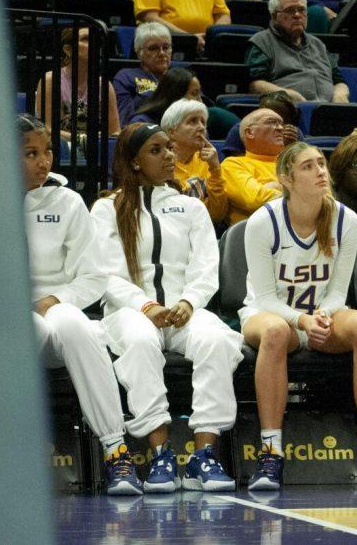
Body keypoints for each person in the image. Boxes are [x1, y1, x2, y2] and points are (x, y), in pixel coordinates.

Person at [92, 123, 243, 493]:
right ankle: (161, 453)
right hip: (129, 311)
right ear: (135, 162)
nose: (170, 157)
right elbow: (102, 274)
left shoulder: (191, 206)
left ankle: (203, 456)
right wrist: (145, 305)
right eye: (156, 150)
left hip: (183, 309)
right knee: (141, 342)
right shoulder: (106, 208)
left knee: (218, 342)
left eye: (169, 149)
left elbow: (207, 266)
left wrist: (189, 302)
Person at [239, 141, 357, 490]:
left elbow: (339, 292)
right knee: (276, 334)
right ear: (287, 178)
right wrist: (303, 321)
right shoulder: (262, 222)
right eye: (309, 167)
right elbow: (265, 298)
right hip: (269, 314)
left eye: (322, 165)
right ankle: (270, 453)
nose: (321, 171)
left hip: (321, 314)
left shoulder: (347, 219)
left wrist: (322, 316)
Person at [20, 115, 142, 496]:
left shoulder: (68, 201)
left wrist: (53, 300)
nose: (44, 161)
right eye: (30, 153)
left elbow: (93, 278)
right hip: (3, 319)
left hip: (56, 308)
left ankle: (116, 452)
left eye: (48, 151)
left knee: (78, 325)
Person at [247, 0, 349, 103]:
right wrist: (286, 94)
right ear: (274, 16)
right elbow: (255, 84)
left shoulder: (318, 44)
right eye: (289, 10)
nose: (297, 15)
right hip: (289, 109)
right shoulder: (262, 41)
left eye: (301, 10)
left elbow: (338, 80)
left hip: (329, 108)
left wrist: (340, 93)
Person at [35, 26, 121, 143]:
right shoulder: (51, 80)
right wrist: (82, 140)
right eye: (85, 39)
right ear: (68, 49)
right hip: (62, 149)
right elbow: (46, 129)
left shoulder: (104, 85)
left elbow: (115, 131)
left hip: (96, 150)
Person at [163, 98, 229, 226]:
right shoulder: (161, 162)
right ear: (172, 132)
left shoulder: (207, 162)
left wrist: (215, 169)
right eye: (192, 121)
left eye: (203, 122)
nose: (201, 127)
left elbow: (217, 215)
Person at [221, 108, 288, 224]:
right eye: (271, 122)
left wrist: (273, 187)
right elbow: (254, 200)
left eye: (281, 123)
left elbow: (324, 197)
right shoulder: (232, 164)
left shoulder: (293, 163)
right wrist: (296, 193)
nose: (280, 128)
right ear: (250, 132)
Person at [113, 22, 171, 123]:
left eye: (166, 47)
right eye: (153, 48)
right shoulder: (126, 76)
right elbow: (126, 119)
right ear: (139, 53)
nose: (162, 53)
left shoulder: (181, 76)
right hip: (144, 131)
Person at [130, 66, 201, 125]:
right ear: (175, 95)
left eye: (199, 94)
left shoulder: (198, 124)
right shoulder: (142, 123)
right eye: (194, 94)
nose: (200, 101)